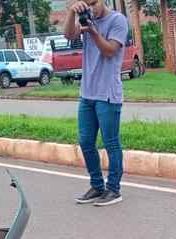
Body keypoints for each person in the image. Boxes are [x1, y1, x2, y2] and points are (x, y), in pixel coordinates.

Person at [63, 0, 128, 207]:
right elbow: (69, 35)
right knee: (86, 142)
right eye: (86, 3)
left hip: (107, 93)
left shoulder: (118, 20)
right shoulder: (85, 19)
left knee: (111, 142)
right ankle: (97, 186)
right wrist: (72, 13)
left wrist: (92, 31)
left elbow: (110, 51)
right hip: (87, 93)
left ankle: (114, 189)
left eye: (94, 3)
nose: (91, 7)